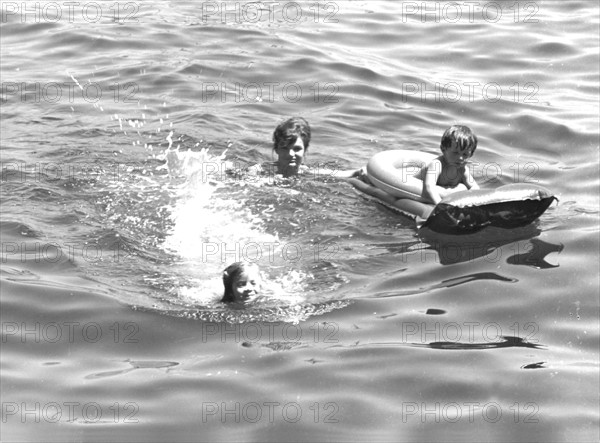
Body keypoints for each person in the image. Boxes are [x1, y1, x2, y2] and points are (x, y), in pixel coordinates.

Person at [230, 117, 361, 179]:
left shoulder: (305, 172)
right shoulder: (261, 171)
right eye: (285, 148)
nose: (291, 153)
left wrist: (357, 172)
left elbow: (336, 173)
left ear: (305, 150)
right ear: (276, 149)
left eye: (297, 149)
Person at [420, 125, 479, 204]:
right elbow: (429, 187)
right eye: (455, 153)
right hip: (413, 186)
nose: (460, 158)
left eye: (465, 154)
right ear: (443, 149)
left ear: (470, 154)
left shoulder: (463, 170)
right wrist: (440, 206)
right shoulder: (436, 165)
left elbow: (474, 188)